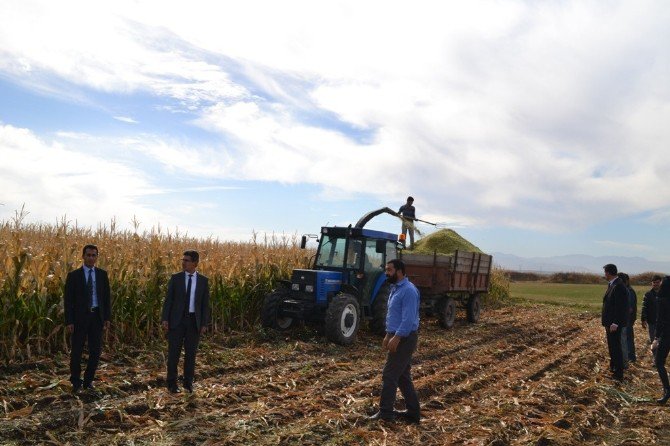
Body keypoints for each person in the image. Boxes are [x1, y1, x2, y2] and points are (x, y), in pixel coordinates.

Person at [368, 259, 421, 424]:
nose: (386, 272)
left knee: (389, 374)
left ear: (399, 271)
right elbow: (394, 315)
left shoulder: (409, 291)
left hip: (405, 338)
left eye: (389, 270)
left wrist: (397, 337)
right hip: (397, 335)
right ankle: (413, 413)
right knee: (403, 376)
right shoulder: (394, 288)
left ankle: (386, 414)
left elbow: (408, 319)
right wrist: (388, 334)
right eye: (386, 269)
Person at [161, 250, 211, 393]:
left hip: (193, 322)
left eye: (187, 260)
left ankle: (188, 383)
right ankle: (171, 384)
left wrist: (203, 324)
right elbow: (168, 300)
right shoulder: (175, 278)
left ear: (195, 263)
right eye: (183, 260)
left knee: (190, 355)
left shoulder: (203, 281)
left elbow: (204, 304)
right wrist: (165, 318)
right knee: (173, 354)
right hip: (176, 321)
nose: (183, 262)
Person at [64, 244, 111, 393]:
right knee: (76, 351)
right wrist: (69, 321)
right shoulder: (74, 276)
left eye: (94, 255)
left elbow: (106, 298)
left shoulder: (102, 275)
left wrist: (107, 317)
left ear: (97, 257)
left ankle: (88, 380)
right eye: (88, 255)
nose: (91, 258)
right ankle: (76, 381)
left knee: (95, 351)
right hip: (79, 318)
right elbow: (68, 300)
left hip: (96, 316)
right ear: (83, 256)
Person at [601, 264, 628, 381]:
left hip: (613, 324)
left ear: (608, 273)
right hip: (610, 323)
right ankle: (614, 368)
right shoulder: (612, 284)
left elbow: (620, 307)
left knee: (616, 348)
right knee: (612, 347)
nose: (604, 275)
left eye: (605, 272)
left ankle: (619, 373)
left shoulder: (618, 286)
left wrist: (615, 323)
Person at [652, 276, 670, 404]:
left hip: (666, 335)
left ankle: (667, 390)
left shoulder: (662, 299)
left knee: (659, 362)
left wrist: (656, 338)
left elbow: (660, 321)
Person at [618, 273, 637, 364]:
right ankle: (629, 357)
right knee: (626, 338)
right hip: (626, 319)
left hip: (627, 319)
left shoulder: (629, 291)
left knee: (627, 339)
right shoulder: (627, 290)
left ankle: (630, 357)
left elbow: (629, 308)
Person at [642, 275, 662, 344]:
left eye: (657, 282)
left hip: (663, 322)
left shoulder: (665, 294)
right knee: (653, 340)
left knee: (662, 342)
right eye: (654, 282)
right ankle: (655, 354)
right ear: (651, 283)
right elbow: (644, 307)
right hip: (651, 321)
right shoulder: (648, 294)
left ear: (661, 282)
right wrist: (643, 319)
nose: (656, 284)